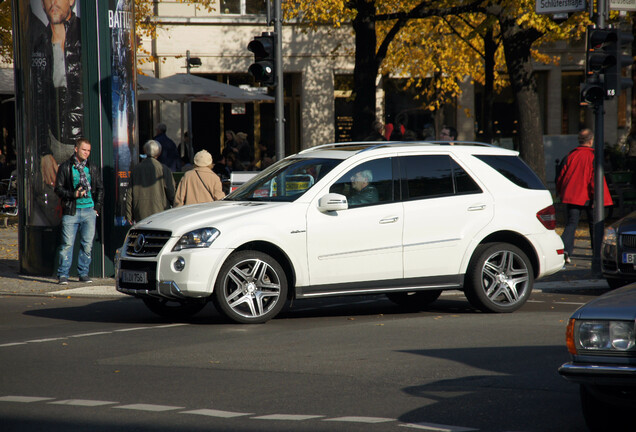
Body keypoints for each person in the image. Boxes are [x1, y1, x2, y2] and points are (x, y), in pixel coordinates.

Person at [557, 128, 613, 264]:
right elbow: (595, 179)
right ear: (591, 140)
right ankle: (597, 254)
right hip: (589, 196)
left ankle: (565, 250)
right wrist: (596, 197)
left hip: (572, 195)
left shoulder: (570, 155)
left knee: (571, 223)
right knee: (594, 225)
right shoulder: (593, 156)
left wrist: (560, 192)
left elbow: (561, 176)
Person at [54, 137, 103, 285]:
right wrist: (73, 194)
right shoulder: (66, 167)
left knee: (87, 244)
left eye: (88, 150)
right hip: (71, 211)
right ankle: (63, 274)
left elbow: (100, 188)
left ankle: (83, 273)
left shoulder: (92, 167)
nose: (86, 153)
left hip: (89, 210)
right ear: (76, 149)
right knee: (67, 244)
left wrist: (96, 208)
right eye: (84, 150)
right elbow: (58, 188)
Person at [125, 140, 175, 224]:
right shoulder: (163, 169)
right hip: (160, 211)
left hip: (140, 212)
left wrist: (129, 215)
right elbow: (171, 191)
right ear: (159, 152)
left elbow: (130, 194)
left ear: (145, 151)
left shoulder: (136, 169)